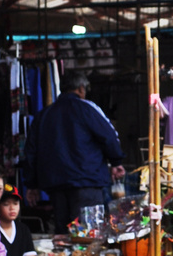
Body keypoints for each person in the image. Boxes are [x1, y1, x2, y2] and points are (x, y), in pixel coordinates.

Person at [24, 70, 126, 234]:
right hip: (87, 182)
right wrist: (116, 162)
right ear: (81, 89)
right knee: (89, 235)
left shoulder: (44, 115)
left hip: (55, 185)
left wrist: (31, 184)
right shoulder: (88, 108)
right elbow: (109, 136)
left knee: (63, 236)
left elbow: (31, 152)